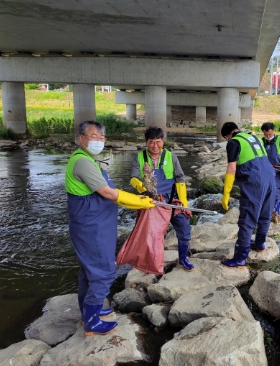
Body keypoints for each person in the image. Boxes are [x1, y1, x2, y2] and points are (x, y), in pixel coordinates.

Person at [66, 121, 154, 336]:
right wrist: (138, 201)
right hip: (91, 226)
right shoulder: (83, 163)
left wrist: (137, 199)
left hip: (97, 225)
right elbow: (107, 193)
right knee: (103, 271)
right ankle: (92, 322)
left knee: (89, 270)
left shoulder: (91, 160)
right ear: (81, 138)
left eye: (101, 137)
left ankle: (89, 311)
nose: (98, 140)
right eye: (93, 136)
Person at [130, 126, 194, 271]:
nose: (155, 146)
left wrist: (183, 200)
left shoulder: (171, 156)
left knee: (184, 228)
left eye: (158, 142)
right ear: (146, 142)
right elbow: (133, 179)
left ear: (163, 141)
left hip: (173, 200)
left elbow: (180, 178)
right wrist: (143, 187)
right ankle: (150, 263)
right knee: (153, 234)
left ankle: (183, 258)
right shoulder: (139, 158)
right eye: (151, 142)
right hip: (152, 202)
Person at [220, 122, 276, 269]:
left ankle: (239, 258)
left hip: (255, 180)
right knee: (265, 214)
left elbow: (231, 168)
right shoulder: (254, 138)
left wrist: (226, 194)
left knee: (247, 218)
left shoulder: (233, 142)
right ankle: (259, 244)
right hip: (271, 178)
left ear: (227, 136)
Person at [261, 122, 280, 223]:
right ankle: (267, 212)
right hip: (265, 171)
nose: (268, 136)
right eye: (266, 134)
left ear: (273, 131)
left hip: (277, 171)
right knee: (265, 191)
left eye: (270, 134)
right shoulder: (261, 141)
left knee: (276, 191)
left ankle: (276, 213)